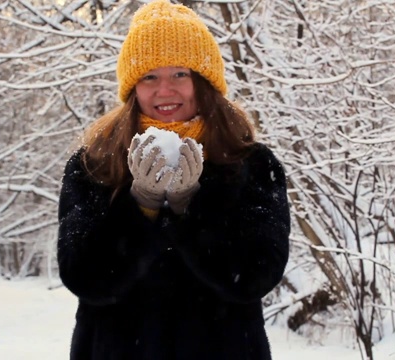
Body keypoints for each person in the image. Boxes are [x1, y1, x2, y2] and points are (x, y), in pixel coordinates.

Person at [57, 1, 290, 359]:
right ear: (133, 87)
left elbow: (256, 276)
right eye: (149, 76)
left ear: (204, 81)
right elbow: (83, 276)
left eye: (180, 74)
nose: (164, 90)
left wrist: (191, 210)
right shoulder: (95, 165)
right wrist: (142, 207)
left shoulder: (252, 164)